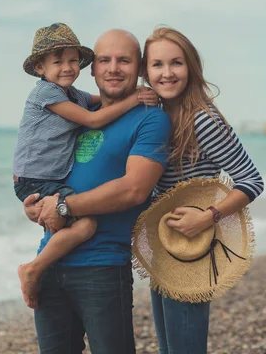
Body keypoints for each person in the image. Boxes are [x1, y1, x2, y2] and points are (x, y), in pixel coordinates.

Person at [23, 29, 172, 354]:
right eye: (105, 60)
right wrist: (34, 205)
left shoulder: (150, 119)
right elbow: (47, 168)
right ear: (93, 69)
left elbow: (134, 190)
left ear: (141, 69)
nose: (113, 68)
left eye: (124, 60)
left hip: (102, 268)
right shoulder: (75, 115)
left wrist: (63, 207)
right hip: (49, 260)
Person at [140, 26, 265, 353]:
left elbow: (251, 180)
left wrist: (207, 217)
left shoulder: (202, 120)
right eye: (157, 65)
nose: (167, 73)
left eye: (176, 63)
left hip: (194, 247)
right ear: (146, 71)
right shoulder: (155, 115)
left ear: (191, 67)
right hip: (164, 244)